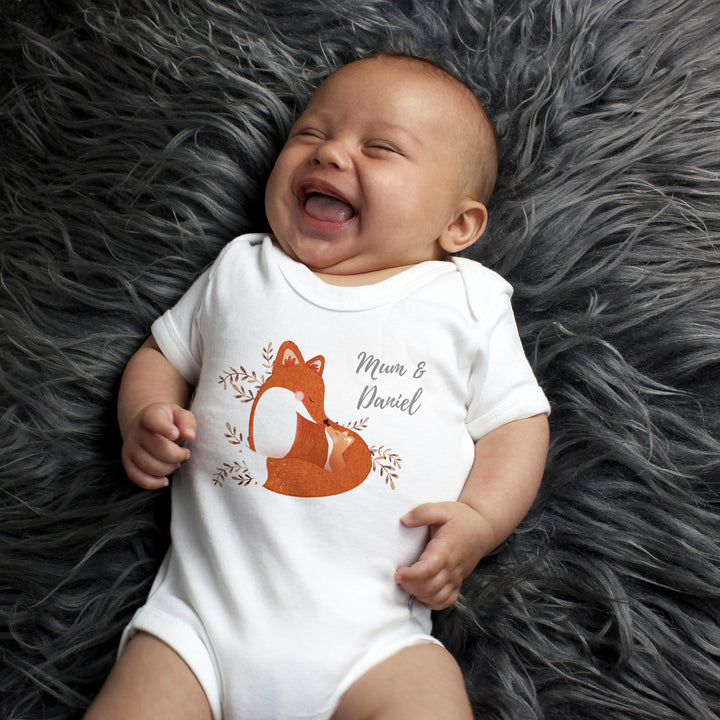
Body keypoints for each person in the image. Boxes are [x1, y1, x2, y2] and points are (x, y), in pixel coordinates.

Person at [85, 53, 550, 720]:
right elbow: (163, 354)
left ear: (458, 225)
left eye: (381, 147)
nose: (330, 152)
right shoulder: (243, 269)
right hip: (198, 627)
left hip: (376, 645)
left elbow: (517, 424)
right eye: (310, 133)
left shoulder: (465, 302)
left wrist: (479, 521)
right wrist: (144, 415)